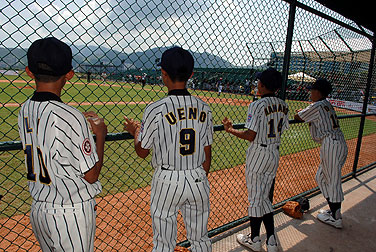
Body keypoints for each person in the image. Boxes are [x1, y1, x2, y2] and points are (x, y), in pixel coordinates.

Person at [18, 37, 107, 251]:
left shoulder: (25, 109)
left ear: (29, 71)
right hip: (70, 212)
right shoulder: (71, 116)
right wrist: (101, 135)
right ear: (69, 74)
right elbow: (91, 174)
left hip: (39, 208)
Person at [124, 46, 213, 252]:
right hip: (197, 176)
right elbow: (207, 153)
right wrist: (199, 176)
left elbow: (142, 151)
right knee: (200, 238)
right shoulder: (204, 108)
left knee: (164, 242)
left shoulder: (155, 108)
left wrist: (135, 131)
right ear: (191, 75)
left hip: (167, 180)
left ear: (164, 74)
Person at [222, 68, 289, 252]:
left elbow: (250, 135)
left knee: (255, 200)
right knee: (264, 198)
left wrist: (230, 130)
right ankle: (272, 240)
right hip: (274, 153)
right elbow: (282, 130)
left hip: (258, 153)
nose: (257, 84)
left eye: (259, 82)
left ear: (263, 85)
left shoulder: (256, 105)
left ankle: (255, 240)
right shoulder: (284, 105)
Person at [294, 78, 348, 229]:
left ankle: (336, 216)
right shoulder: (326, 105)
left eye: (312, 90)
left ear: (318, 92)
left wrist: (299, 113)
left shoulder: (318, 105)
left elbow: (298, 116)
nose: (310, 92)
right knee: (321, 177)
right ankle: (333, 210)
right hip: (336, 143)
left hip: (332, 144)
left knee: (332, 180)